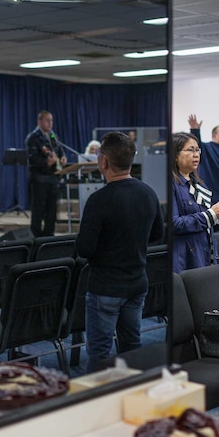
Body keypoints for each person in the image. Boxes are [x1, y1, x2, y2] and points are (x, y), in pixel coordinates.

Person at [75, 132, 165, 372]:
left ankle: (99, 403)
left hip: (105, 288)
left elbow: (85, 249)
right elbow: (157, 234)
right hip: (137, 284)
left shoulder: (98, 200)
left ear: (103, 162)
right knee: (132, 348)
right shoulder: (148, 193)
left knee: (99, 353)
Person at [171, 132, 219, 273]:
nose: (196, 154)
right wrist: (212, 214)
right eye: (190, 150)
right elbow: (175, 224)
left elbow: (205, 224)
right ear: (175, 155)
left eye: (198, 150)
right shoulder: (171, 184)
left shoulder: (199, 184)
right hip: (185, 261)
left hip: (206, 256)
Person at [25, 111, 66, 237]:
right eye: (47, 120)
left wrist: (63, 157)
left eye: (51, 120)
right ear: (39, 121)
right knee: (39, 209)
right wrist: (46, 162)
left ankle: (49, 234)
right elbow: (32, 159)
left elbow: (59, 150)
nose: (50, 123)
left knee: (52, 209)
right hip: (39, 178)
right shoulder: (33, 137)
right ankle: (36, 236)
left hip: (53, 178)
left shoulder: (53, 136)